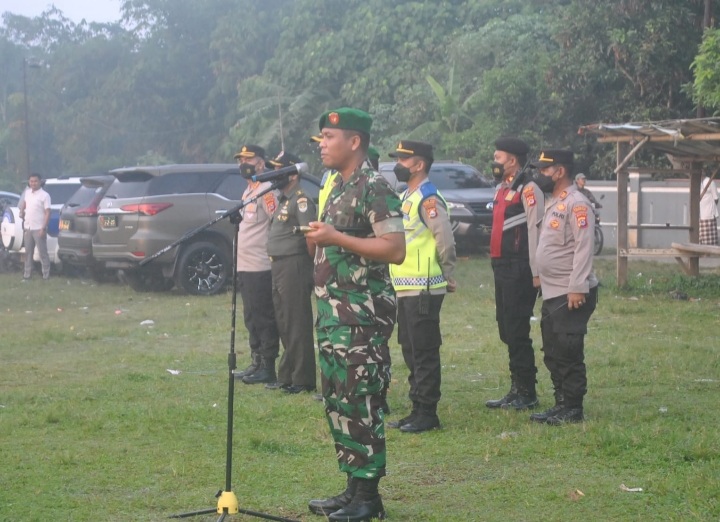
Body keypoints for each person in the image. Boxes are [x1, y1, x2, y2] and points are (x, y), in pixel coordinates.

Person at [305, 108, 405, 521]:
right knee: (339, 401)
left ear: (355, 141)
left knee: (361, 401)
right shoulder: (339, 187)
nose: (322, 144)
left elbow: (395, 248)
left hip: (361, 318)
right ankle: (352, 488)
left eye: (329, 136)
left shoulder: (374, 187)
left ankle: (369, 499)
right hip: (334, 315)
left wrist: (335, 237)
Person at [386, 140, 457, 434]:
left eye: (404, 159)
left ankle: (428, 412)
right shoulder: (408, 196)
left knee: (424, 351)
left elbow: (445, 239)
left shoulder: (428, 198)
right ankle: (416, 408)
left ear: (419, 164)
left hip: (424, 287)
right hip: (405, 286)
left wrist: (448, 272)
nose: (398, 164)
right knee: (410, 349)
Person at [530, 149, 598, 425]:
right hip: (552, 290)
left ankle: (573, 407)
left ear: (559, 171)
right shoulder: (553, 201)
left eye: (545, 170)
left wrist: (577, 286)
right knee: (552, 349)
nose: (540, 175)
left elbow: (584, 247)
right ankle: (560, 402)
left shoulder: (577, 203)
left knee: (568, 350)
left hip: (571, 292)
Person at [485, 137, 545, 411]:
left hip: (519, 267)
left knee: (517, 329)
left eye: (498, 157)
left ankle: (527, 391)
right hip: (501, 266)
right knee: (506, 327)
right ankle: (516, 388)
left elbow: (535, 230)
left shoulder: (528, 189)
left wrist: (536, 271)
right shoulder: (502, 188)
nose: (494, 161)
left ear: (512, 160)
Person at [264, 151, 317, 394]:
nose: (274, 176)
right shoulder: (284, 200)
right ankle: (287, 374)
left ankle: (302, 379)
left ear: (293, 175)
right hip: (279, 265)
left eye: (279, 171)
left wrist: (309, 265)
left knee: (297, 322)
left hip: (294, 265)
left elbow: (310, 238)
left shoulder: (301, 199)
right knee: (284, 321)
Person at [232, 144, 281, 385]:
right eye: (240, 159)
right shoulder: (249, 189)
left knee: (263, 317)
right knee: (250, 316)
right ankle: (256, 361)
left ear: (261, 163)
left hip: (261, 265)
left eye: (248, 159)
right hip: (245, 264)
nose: (243, 163)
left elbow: (278, 222)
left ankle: (268, 365)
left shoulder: (266, 190)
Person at [18, 173, 51, 280]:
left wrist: (43, 228)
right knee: (28, 253)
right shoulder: (27, 193)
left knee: (42, 253)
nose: (33, 183)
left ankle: (46, 275)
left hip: (39, 228)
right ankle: (27, 275)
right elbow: (24, 203)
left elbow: (47, 212)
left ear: (40, 182)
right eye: (31, 181)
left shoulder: (44, 195)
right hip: (28, 228)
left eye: (35, 181)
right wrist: (22, 211)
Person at [699, 173, 719, 245]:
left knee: (710, 241)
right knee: (700, 238)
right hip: (700, 215)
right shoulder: (697, 182)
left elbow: (716, 198)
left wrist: (711, 207)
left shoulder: (710, 181)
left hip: (709, 214)